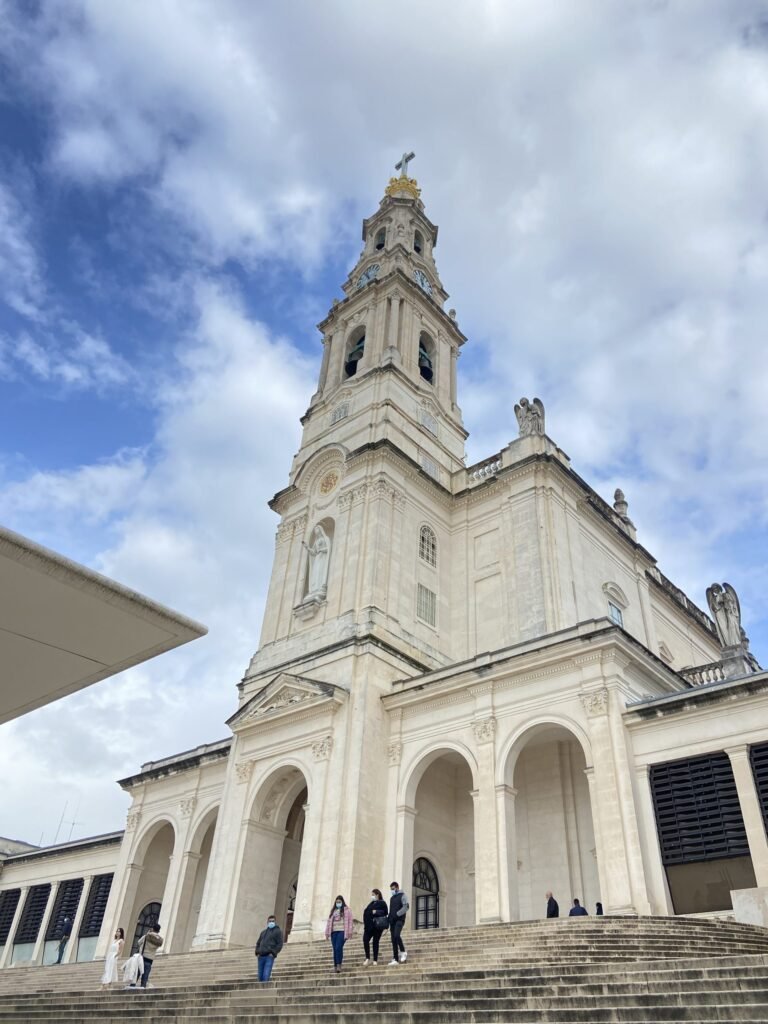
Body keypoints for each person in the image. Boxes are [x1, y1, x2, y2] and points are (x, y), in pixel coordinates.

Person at [324, 895, 354, 973]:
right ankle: (335, 966)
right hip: (333, 932)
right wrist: (327, 933)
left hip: (342, 931)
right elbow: (329, 922)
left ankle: (339, 965)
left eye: (339, 902)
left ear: (342, 902)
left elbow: (350, 921)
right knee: (335, 949)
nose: (338, 903)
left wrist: (350, 932)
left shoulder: (347, 910)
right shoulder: (333, 911)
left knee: (338, 947)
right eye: (337, 902)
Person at [362, 888, 388, 966]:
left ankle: (375, 960)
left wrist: (376, 912)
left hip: (377, 926)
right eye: (371, 895)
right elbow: (366, 912)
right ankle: (367, 958)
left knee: (375, 942)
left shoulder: (382, 903)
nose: (372, 896)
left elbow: (385, 912)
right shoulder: (371, 904)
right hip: (368, 926)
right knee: (365, 940)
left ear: (377, 895)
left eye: (373, 895)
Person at [255, 914, 284, 982]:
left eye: (273, 921)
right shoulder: (263, 932)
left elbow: (280, 944)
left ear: (275, 922)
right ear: (267, 922)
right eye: (270, 921)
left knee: (266, 975)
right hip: (261, 956)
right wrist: (257, 952)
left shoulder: (277, 931)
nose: (271, 922)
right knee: (260, 976)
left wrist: (273, 953)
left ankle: (264, 990)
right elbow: (258, 943)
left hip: (269, 956)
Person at [387, 881, 409, 966]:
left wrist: (397, 914)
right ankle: (395, 959)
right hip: (392, 921)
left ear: (397, 888)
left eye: (393, 889)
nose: (392, 890)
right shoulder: (392, 898)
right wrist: (389, 918)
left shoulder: (403, 895)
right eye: (391, 889)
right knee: (393, 940)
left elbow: (406, 907)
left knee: (396, 935)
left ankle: (403, 951)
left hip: (400, 920)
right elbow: (391, 910)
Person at [137, 923, 163, 988]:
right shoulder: (159, 940)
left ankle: (133, 985)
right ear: (158, 931)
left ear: (152, 929)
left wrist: (148, 933)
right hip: (150, 959)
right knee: (145, 976)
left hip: (143, 956)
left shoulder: (146, 936)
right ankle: (143, 986)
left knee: (137, 973)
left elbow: (139, 942)